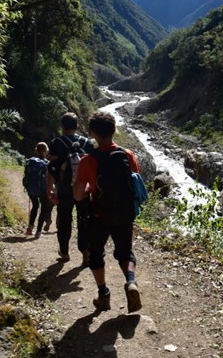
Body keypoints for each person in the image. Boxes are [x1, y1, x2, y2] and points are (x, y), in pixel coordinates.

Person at [73, 111, 142, 313]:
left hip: (98, 215)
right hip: (124, 212)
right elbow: (135, 182)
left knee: (96, 254)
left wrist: (87, 189)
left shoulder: (88, 160)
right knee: (125, 252)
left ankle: (103, 294)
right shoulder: (127, 155)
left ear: (93, 133)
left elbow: (78, 195)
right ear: (114, 130)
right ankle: (131, 282)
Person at [46, 112, 94, 265]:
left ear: (62, 126)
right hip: (84, 189)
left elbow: (52, 168)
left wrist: (50, 187)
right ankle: (86, 253)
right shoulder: (87, 143)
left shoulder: (56, 143)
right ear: (77, 125)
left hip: (65, 188)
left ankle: (64, 251)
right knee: (84, 220)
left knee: (64, 219)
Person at [23, 142, 51, 239]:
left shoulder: (31, 161)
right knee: (43, 208)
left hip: (31, 188)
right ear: (46, 150)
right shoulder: (47, 163)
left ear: (36, 150)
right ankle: (38, 231)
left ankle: (29, 228)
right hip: (42, 189)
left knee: (35, 206)